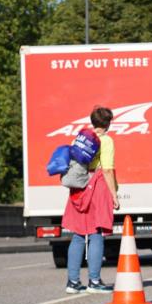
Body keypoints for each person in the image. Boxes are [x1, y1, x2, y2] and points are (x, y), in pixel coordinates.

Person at [61, 106, 119, 293]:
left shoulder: (80, 139)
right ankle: (94, 281)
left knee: (78, 235)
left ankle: (73, 282)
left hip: (78, 188)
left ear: (93, 122)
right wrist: (114, 196)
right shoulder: (106, 141)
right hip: (97, 186)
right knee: (96, 233)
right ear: (108, 123)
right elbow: (108, 170)